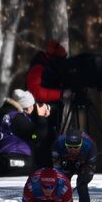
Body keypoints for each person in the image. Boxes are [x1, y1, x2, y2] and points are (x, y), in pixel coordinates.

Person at [26, 39, 69, 167]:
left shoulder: (50, 69)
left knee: (50, 142)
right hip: (39, 118)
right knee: (42, 145)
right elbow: (36, 92)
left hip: (50, 117)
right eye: (60, 59)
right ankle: (42, 169)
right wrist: (60, 94)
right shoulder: (38, 68)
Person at [0, 89, 41, 177]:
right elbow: (35, 136)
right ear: (27, 107)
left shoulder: (2, 118)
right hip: (18, 162)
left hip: (0, 162)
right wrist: (42, 120)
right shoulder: (17, 118)